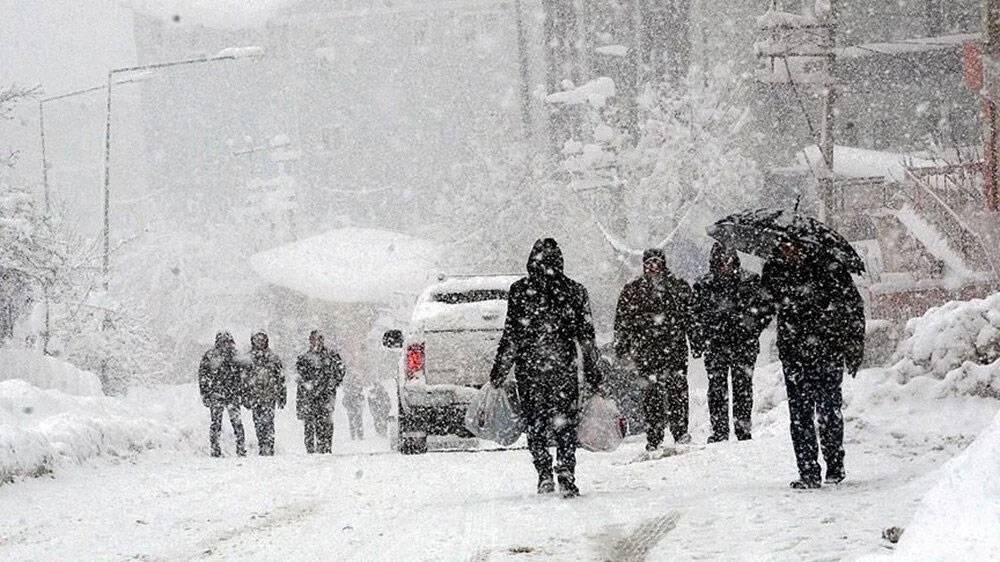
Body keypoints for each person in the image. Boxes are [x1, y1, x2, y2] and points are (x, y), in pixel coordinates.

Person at [490, 238, 601, 498]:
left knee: (536, 422)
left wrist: (499, 371)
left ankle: (543, 473)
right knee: (565, 424)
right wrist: (594, 372)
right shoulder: (574, 291)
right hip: (563, 368)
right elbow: (586, 337)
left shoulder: (520, 291)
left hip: (531, 370)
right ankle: (566, 470)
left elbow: (512, 336)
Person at [760, 240, 865, 489]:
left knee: (828, 410)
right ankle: (808, 471)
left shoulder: (829, 267)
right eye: (784, 247)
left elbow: (852, 306)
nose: (790, 252)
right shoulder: (775, 269)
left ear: (805, 246)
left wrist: (853, 345)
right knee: (800, 415)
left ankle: (834, 466)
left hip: (827, 350)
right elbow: (763, 306)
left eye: (794, 247)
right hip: (794, 352)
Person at [614, 248, 694, 452]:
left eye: (657, 262)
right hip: (646, 350)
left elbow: (691, 317)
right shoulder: (633, 290)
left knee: (677, 391)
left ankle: (680, 431)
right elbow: (623, 322)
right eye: (649, 263)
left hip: (674, 348)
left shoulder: (678, 287)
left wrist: (696, 341)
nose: (653, 267)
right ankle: (654, 436)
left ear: (664, 264)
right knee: (652, 395)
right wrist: (622, 347)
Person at [692, 243, 771, 443]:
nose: (724, 265)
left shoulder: (750, 281)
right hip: (716, 345)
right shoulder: (703, 285)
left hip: (743, 344)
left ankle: (742, 429)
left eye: (727, 259)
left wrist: (752, 329)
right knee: (717, 388)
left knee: (742, 387)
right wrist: (702, 337)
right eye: (720, 260)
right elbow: (694, 316)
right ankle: (720, 431)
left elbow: (765, 310)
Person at [295, 330, 345, 454]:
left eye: (319, 339)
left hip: (326, 395)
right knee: (309, 424)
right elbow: (300, 377)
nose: (316, 343)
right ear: (310, 341)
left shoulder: (331, 356)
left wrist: (333, 382)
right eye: (314, 340)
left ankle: (325, 448)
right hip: (309, 396)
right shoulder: (304, 358)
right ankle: (311, 449)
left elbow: (341, 369)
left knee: (326, 423)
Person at [198, 331, 246, 457]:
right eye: (223, 341)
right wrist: (205, 393)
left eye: (227, 341)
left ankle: (241, 449)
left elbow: (243, 376)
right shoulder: (211, 356)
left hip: (231, 394)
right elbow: (203, 376)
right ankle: (215, 449)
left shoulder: (235, 356)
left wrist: (242, 391)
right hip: (217, 394)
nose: (226, 344)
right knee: (216, 423)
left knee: (237, 423)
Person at [243, 331, 286, 456]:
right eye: (257, 339)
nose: (260, 342)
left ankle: (269, 447)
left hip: (269, 396)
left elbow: (280, 378)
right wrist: (245, 395)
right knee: (258, 423)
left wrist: (282, 395)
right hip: (255, 396)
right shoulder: (248, 358)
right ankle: (262, 445)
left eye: (262, 339)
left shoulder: (273, 357)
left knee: (269, 422)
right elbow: (244, 379)